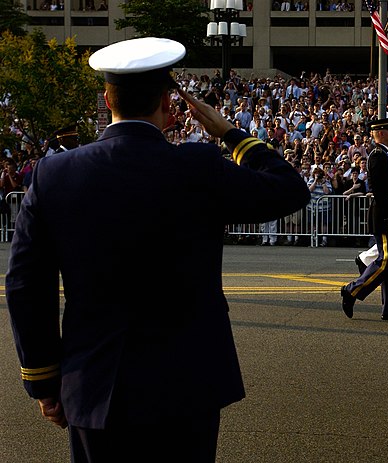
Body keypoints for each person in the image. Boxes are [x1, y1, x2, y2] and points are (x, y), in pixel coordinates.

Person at [5, 37, 310, 462]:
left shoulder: (54, 173)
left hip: (96, 381)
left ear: (107, 97)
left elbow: (24, 284)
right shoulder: (198, 166)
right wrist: (230, 133)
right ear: (169, 103)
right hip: (187, 383)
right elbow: (290, 190)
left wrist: (43, 380)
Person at [341, 117, 388, 321]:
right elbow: (379, 191)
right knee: (385, 262)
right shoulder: (377, 155)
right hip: (385, 215)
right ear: (381, 133)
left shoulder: (387, 154)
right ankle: (352, 290)